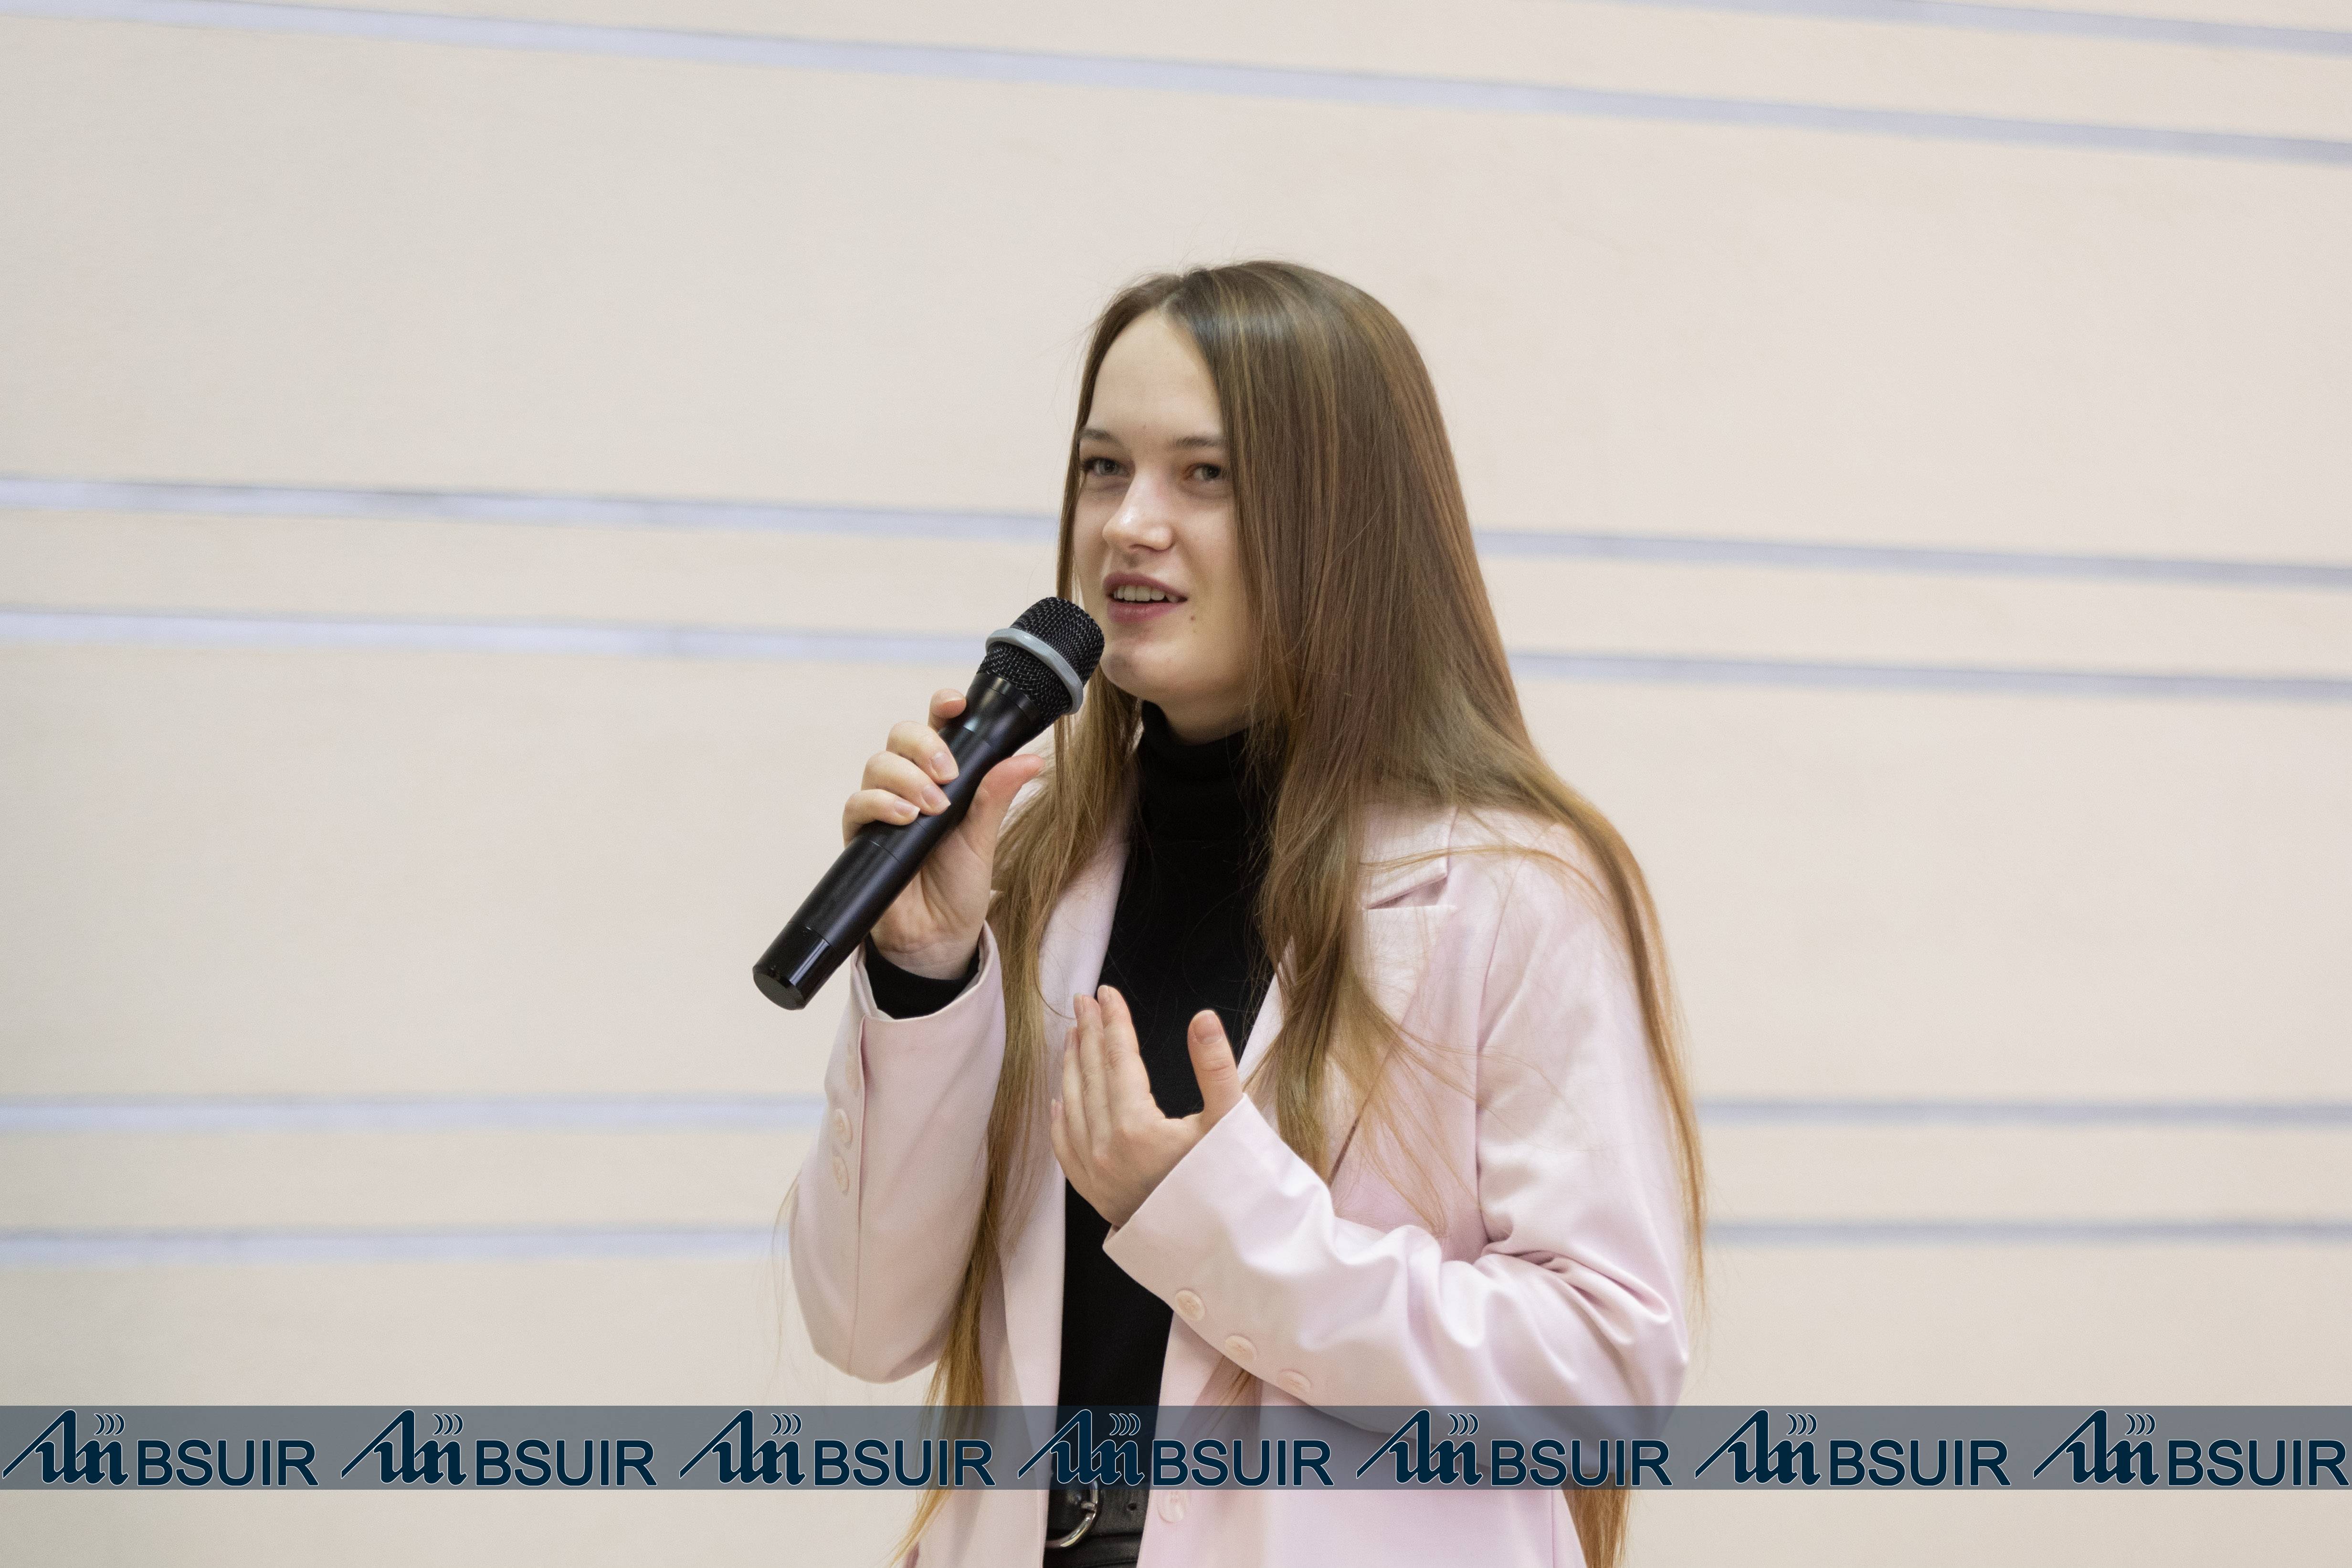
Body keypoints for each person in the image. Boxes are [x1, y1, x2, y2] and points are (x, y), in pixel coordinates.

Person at [786, 260, 1704, 1568]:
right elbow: (866, 1323)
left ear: (1341, 519)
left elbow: (1605, 1381)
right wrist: (923, 972)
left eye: (1203, 475)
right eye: (1104, 469)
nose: (1129, 525)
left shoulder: (1511, 885)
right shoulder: (1034, 871)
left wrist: (1218, 1219)